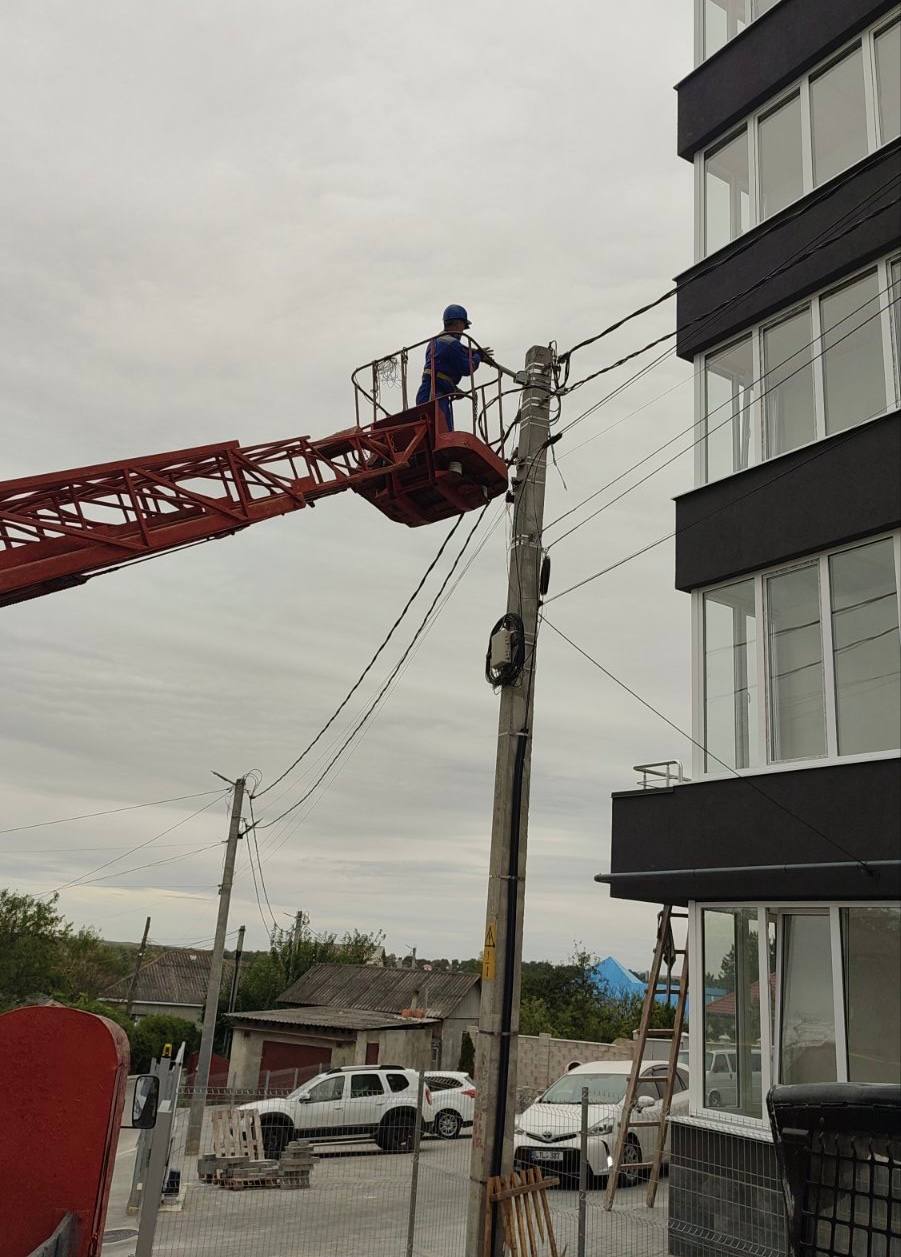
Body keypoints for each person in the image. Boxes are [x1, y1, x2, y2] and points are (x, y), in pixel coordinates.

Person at [416, 304, 494, 431]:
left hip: (427, 393)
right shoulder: (452, 344)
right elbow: (467, 368)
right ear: (458, 323)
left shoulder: (434, 342)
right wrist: (478, 356)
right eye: (463, 327)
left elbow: (440, 373)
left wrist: (453, 389)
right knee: (443, 434)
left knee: (433, 434)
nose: (463, 332)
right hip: (435, 397)